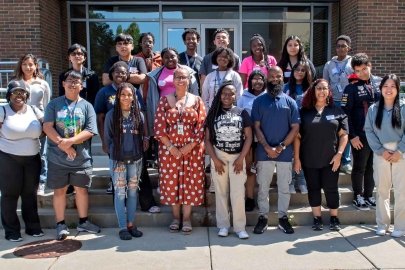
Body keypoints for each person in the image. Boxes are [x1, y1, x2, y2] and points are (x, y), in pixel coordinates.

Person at [43, 70, 100, 240]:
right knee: (59, 191)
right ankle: (60, 224)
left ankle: (83, 222)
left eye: (76, 81)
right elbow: (47, 126)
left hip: (81, 158)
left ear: (81, 86)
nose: (72, 83)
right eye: (69, 80)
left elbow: (90, 130)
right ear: (63, 84)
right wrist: (63, 144)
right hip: (57, 158)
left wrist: (70, 142)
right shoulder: (54, 104)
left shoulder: (87, 106)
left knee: (81, 190)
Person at [154, 66, 206, 234]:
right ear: (173, 80)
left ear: (189, 80)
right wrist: (171, 147)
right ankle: (176, 217)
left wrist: (188, 147)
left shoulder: (197, 100)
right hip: (169, 151)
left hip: (192, 150)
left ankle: (187, 218)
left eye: (184, 77)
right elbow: (159, 127)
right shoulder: (164, 100)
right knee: (172, 183)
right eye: (177, 77)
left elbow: (202, 126)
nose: (181, 80)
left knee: (190, 183)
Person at [294, 79, 349, 231]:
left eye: (325, 88)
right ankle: (317, 218)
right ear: (313, 91)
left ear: (329, 91)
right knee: (313, 188)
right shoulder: (304, 111)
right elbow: (297, 137)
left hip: (331, 159)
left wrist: (339, 154)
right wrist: (297, 159)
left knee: (331, 188)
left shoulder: (336, 110)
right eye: (319, 88)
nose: (322, 91)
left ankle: (334, 217)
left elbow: (344, 135)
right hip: (309, 158)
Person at [251, 66, 300, 235]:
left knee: (284, 187)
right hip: (264, 153)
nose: (275, 79)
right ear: (267, 78)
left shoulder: (290, 102)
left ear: (282, 78)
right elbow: (256, 127)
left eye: (278, 76)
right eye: (271, 76)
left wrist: (281, 147)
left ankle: (283, 218)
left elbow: (295, 128)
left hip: (285, 153)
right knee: (263, 187)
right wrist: (266, 147)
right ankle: (263, 217)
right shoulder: (259, 101)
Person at [205, 81, 253, 239]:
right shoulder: (213, 114)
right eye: (224, 93)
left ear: (235, 95)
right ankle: (223, 225)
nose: (227, 96)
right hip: (219, 156)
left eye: (231, 93)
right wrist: (215, 160)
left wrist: (241, 159)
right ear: (220, 95)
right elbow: (207, 140)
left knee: (238, 193)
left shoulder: (242, 112)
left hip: (237, 157)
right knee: (221, 192)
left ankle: (240, 227)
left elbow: (249, 137)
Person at [0, 80, 44, 241]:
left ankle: (33, 227)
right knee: (10, 195)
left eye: (22, 92)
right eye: (14, 92)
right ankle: (11, 231)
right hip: (8, 158)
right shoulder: (2, 110)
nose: (18, 96)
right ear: (9, 95)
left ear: (27, 95)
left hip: (32, 158)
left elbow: (46, 126)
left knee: (29, 194)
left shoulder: (34, 110)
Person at [104, 82, 148, 240]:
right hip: (118, 160)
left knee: (133, 192)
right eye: (123, 94)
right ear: (118, 96)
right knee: (120, 193)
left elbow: (143, 136)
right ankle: (122, 227)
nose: (126, 97)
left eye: (129, 95)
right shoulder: (111, 115)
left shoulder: (139, 115)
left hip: (135, 159)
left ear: (134, 97)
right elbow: (108, 139)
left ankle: (131, 224)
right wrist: (116, 155)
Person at [365, 74, 405, 238]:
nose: (389, 90)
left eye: (392, 86)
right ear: (380, 89)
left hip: (401, 154)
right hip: (380, 153)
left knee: (402, 192)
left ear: (397, 89)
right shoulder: (374, 109)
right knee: (382, 191)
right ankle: (382, 224)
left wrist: (400, 151)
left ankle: (401, 226)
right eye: (385, 86)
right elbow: (369, 130)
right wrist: (381, 150)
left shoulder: (403, 107)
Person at [341, 53, 381, 211]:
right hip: (360, 135)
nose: (362, 73)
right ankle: (358, 196)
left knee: (372, 167)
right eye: (358, 71)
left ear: (369, 66)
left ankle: (369, 195)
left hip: (378, 135)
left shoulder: (380, 83)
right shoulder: (350, 88)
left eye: (364, 69)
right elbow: (345, 113)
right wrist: (352, 136)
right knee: (359, 167)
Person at [12, 53, 51, 196]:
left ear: (36, 66)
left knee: (42, 154)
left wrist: (47, 124)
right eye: (24, 64)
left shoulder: (43, 84)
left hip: (38, 122)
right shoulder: (15, 83)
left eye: (31, 64)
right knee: (21, 153)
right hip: (19, 123)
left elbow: (47, 105)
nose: (28, 67)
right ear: (20, 66)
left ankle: (41, 182)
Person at [145, 47, 199, 138]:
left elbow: (195, 93)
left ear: (177, 57)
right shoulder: (155, 75)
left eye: (172, 56)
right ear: (162, 59)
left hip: (184, 110)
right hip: (163, 112)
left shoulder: (188, 72)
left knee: (183, 137)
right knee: (165, 138)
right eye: (166, 57)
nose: (170, 59)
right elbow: (150, 99)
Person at [323, 35, 354, 174]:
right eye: (338, 46)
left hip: (348, 102)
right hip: (333, 101)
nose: (340, 48)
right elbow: (324, 83)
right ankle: (332, 157)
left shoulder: (353, 63)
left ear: (349, 48)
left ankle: (345, 161)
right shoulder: (329, 64)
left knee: (345, 130)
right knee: (332, 130)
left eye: (343, 46)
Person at [237, 70, 266, 211]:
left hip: (265, 139)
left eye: (261, 79)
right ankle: (249, 198)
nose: (258, 81)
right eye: (254, 78)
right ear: (250, 81)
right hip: (248, 139)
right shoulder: (243, 96)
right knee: (250, 170)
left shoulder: (268, 96)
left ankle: (263, 198)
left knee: (263, 171)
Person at [284, 62, 312, 194]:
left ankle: (301, 181)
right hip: (289, 125)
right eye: (297, 70)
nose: (299, 72)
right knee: (290, 154)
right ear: (293, 72)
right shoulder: (286, 87)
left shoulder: (310, 88)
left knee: (302, 154)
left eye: (303, 70)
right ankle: (290, 182)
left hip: (305, 125)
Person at [136, 32, 162, 102]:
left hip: (157, 94)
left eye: (150, 42)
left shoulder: (160, 58)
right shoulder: (135, 59)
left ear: (153, 44)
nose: (148, 44)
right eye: (145, 41)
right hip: (140, 95)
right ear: (140, 44)